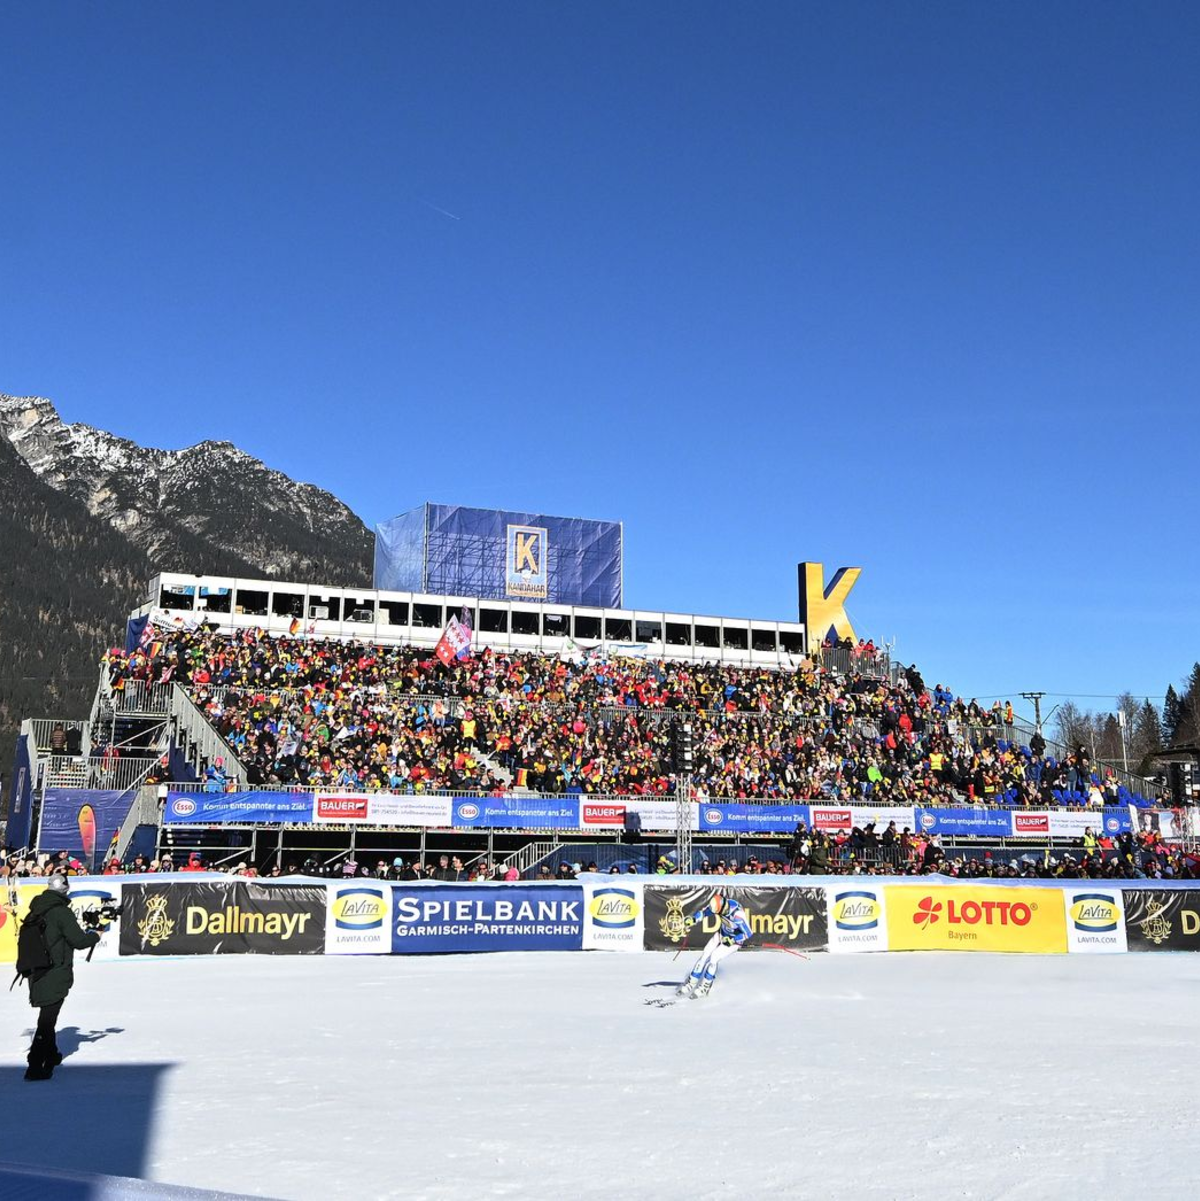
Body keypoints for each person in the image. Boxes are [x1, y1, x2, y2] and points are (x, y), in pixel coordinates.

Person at [23, 873, 104, 1081]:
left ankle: (52, 1054)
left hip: (37, 970)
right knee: (47, 1019)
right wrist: (96, 935)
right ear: (64, 890)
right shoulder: (61, 912)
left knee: (47, 1013)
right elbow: (79, 941)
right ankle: (34, 1065)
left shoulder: (37, 908)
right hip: (54, 971)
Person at [677, 891, 753, 999]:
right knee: (705, 954)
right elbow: (704, 913)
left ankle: (705, 987)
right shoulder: (718, 905)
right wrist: (694, 919)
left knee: (714, 958)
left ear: (722, 907)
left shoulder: (737, 914)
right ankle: (691, 983)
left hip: (734, 942)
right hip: (721, 933)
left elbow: (748, 933)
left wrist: (732, 940)